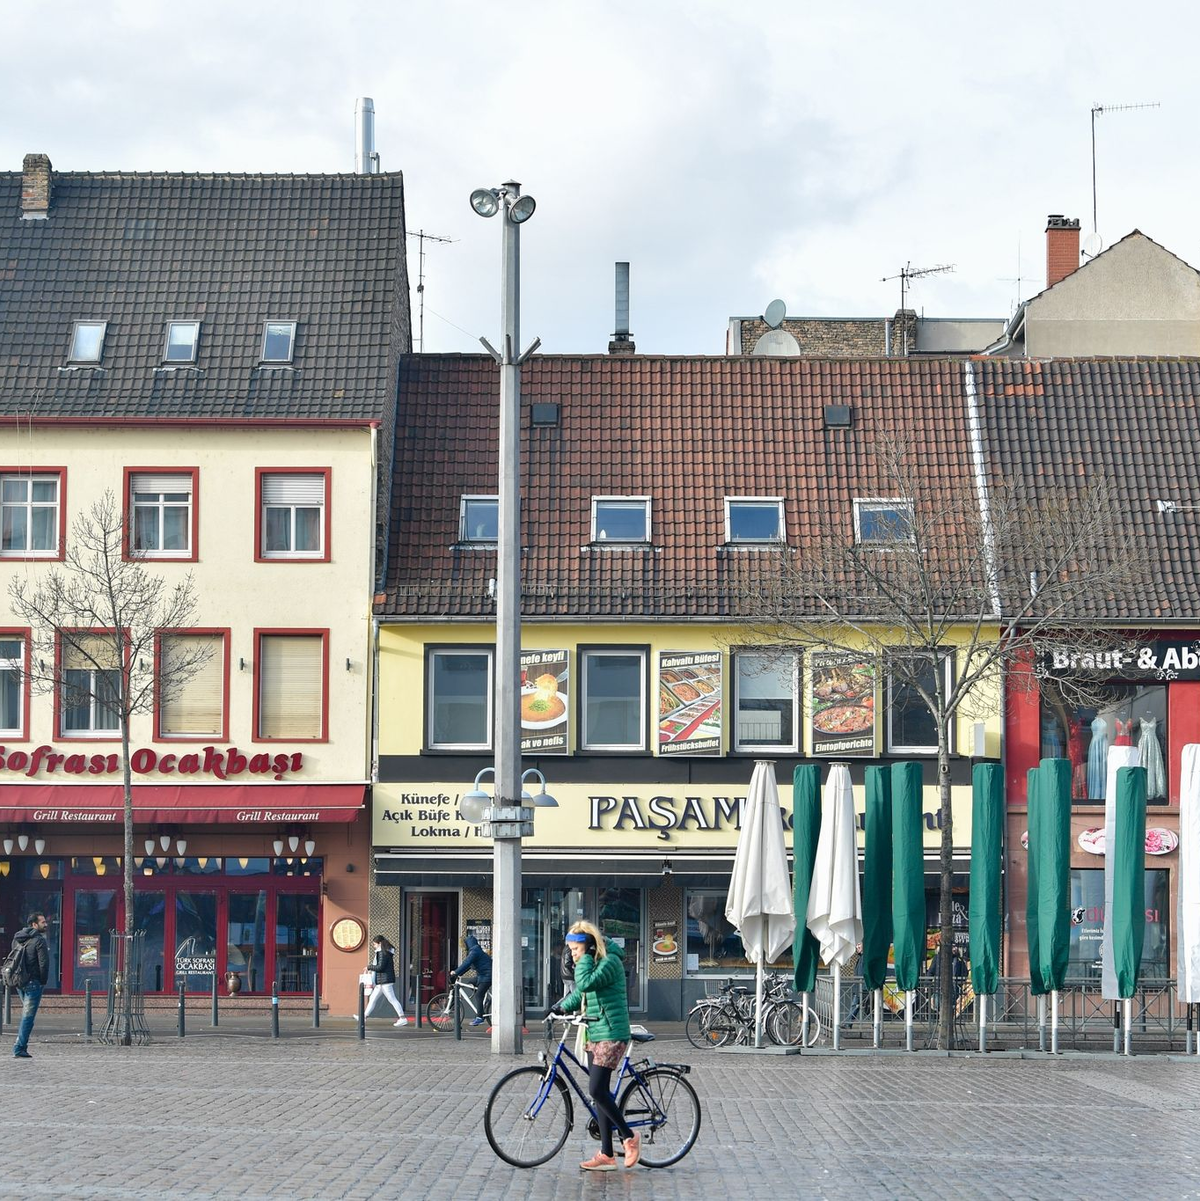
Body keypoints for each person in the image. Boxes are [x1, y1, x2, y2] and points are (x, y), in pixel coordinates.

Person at [551, 921, 640, 1172]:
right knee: (599, 1095)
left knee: (597, 1090)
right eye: (570, 949)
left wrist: (586, 959)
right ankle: (607, 1155)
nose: (572, 954)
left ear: (589, 945)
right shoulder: (596, 962)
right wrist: (561, 1007)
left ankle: (629, 1137)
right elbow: (582, 993)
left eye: (576, 949)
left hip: (611, 1032)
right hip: (595, 1031)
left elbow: (587, 983)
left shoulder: (610, 962)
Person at [11, 910, 50, 1059]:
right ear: (34, 924)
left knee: (26, 1015)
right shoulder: (39, 940)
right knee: (28, 1017)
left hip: (20, 981)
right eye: (43, 922)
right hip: (33, 982)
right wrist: (42, 981)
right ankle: (19, 1048)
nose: (45, 924)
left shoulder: (17, 938)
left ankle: (21, 1046)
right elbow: (43, 964)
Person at [358, 935, 407, 1027]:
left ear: (379, 943)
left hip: (385, 981)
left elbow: (380, 967)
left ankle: (402, 1018)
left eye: (374, 944)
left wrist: (369, 967)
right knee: (373, 999)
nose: (374, 946)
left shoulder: (382, 953)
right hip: (383, 981)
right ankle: (363, 1017)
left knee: (392, 999)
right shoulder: (385, 952)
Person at [449, 932, 492, 1026]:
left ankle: (480, 1017)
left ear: (468, 944)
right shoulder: (476, 950)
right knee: (469, 983)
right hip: (482, 976)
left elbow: (466, 963)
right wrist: (459, 974)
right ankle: (486, 1001)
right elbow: (469, 966)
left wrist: (455, 972)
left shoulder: (474, 952)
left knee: (478, 995)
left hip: (487, 976)